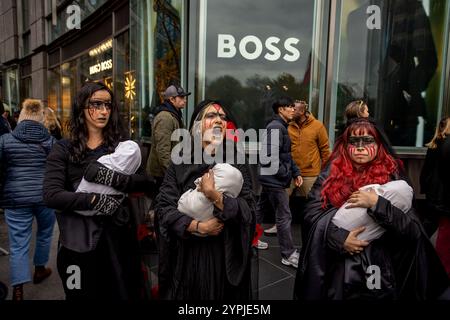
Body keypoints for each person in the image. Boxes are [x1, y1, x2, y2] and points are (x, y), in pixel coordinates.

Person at [294, 118, 449, 300]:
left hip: (380, 267)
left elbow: (412, 230)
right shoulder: (329, 175)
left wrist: (378, 204)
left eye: (367, 141)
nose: (360, 147)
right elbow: (310, 215)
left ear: (379, 144)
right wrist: (339, 238)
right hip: (337, 268)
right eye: (354, 141)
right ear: (345, 145)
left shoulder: (393, 175)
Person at [43, 81, 154, 300]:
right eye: (96, 104)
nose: (103, 111)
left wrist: (115, 179)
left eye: (108, 105)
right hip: (78, 243)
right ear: (81, 107)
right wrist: (94, 201)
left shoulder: (122, 147)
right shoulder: (63, 148)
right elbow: (51, 195)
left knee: (122, 293)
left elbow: (147, 182)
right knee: (79, 295)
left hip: (119, 241)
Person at [155, 100, 256, 300]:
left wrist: (216, 197)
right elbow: (164, 207)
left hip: (224, 254)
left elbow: (250, 209)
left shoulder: (237, 158)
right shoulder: (180, 158)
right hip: (187, 255)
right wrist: (197, 226)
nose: (219, 120)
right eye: (211, 116)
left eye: (223, 117)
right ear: (198, 125)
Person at [0, 99, 56, 300]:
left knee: (18, 244)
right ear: (41, 118)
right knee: (44, 233)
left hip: (15, 199)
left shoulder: (5, 140)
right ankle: (40, 269)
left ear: (21, 117)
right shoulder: (50, 142)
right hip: (44, 197)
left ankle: (18, 290)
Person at [264, 99, 330, 236]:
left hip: (311, 172)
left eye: (296, 109)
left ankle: (318, 226)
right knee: (281, 201)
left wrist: (326, 171)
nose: (292, 111)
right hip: (290, 171)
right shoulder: (287, 126)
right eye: (291, 108)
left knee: (316, 201)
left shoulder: (317, 126)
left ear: (304, 112)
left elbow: (325, 150)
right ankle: (278, 225)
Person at [256, 96, 303, 267]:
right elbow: (270, 158)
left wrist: (295, 172)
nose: (293, 109)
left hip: (270, 177)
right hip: (273, 180)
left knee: (259, 209)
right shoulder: (276, 127)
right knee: (284, 215)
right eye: (289, 106)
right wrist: (286, 175)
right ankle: (288, 254)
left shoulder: (281, 127)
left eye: (293, 106)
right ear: (280, 110)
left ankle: (249, 241)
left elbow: (286, 156)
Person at [75, 140, 142, 216]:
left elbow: (90, 174)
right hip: (86, 207)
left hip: (80, 206)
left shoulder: (105, 160)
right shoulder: (128, 177)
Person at [420, 116, 450, 277]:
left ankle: (420, 246)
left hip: (433, 191)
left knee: (431, 223)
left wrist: (424, 186)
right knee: (435, 226)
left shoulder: (434, 145)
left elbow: (426, 170)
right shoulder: (445, 146)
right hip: (440, 192)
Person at [147, 84, 191, 189]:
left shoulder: (174, 114)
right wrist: (173, 175)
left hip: (168, 172)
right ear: (172, 99)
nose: (185, 100)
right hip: (161, 175)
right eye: (181, 97)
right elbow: (163, 151)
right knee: (161, 203)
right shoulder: (165, 117)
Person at [178, 163, 244, 223]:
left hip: (224, 232)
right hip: (185, 227)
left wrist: (214, 195)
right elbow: (168, 204)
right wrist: (197, 227)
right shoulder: (179, 163)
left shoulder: (238, 162)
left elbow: (248, 210)